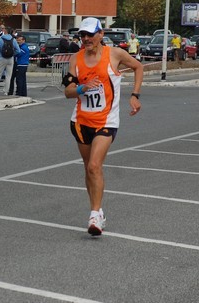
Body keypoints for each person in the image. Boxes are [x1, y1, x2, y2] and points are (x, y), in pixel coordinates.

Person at [63, 17, 143, 236]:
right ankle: (96, 210)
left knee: (94, 166)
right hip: (80, 122)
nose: (86, 39)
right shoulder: (75, 59)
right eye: (83, 35)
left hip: (106, 121)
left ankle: (95, 214)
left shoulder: (114, 54)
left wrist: (134, 95)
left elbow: (138, 67)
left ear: (100, 34)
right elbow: (67, 91)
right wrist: (82, 88)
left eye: (90, 35)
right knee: (88, 167)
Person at [0, 27, 21, 95]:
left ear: (5, 31)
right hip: (10, 59)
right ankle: (6, 91)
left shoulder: (1, 39)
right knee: (8, 76)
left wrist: (0, 54)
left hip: (2, 58)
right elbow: (18, 50)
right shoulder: (13, 39)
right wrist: (12, 54)